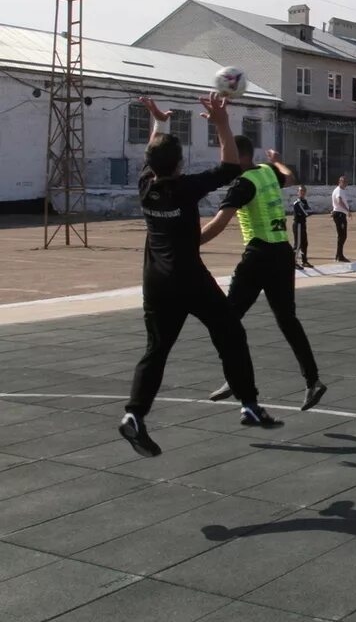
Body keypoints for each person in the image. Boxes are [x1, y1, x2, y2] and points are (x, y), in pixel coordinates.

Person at [120, 94, 279, 458]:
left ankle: (134, 414)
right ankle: (249, 404)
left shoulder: (146, 187)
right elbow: (228, 166)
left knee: (156, 350)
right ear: (179, 164)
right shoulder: (184, 188)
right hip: (190, 279)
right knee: (230, 334)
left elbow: (152, 155)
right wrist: (222, 121)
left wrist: (158, 122)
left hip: (156, 282)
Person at [198, 139, 327, 413]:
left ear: (239, 157)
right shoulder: (267, 172)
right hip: (282, 253)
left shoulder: (243, 183)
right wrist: (276, 159)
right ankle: (312, 380)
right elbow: (290, 176)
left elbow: (219, 222)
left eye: (228, 155)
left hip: (258, 255)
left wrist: (187, 244)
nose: (224, 162)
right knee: (287, 320)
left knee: (225, 319)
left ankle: (236, 379)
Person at [292, 186, 313, 268]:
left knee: (305, 243)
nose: (302, 192)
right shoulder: (297, 203)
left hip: (303, 224)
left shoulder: (304, 201)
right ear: (298, 192)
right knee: (297, 244)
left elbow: (311, 211)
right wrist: (307, 211)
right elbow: (306, 213)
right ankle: (294, 262)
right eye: (301, 191)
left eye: (304, 191)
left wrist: (307, 211)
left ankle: (304, 261)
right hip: (298, 224)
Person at [331, 175, 351, 262]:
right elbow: (339, 201)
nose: (345, 183)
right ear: (340, 182)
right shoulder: (339, 190)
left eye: (346, 182)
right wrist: (347, 210)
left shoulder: (341, 190)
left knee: (342, 235)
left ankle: (339, 254)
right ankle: (339, 255)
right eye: (343, 182)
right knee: (342, 235)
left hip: (340, 214)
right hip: (339, 214)